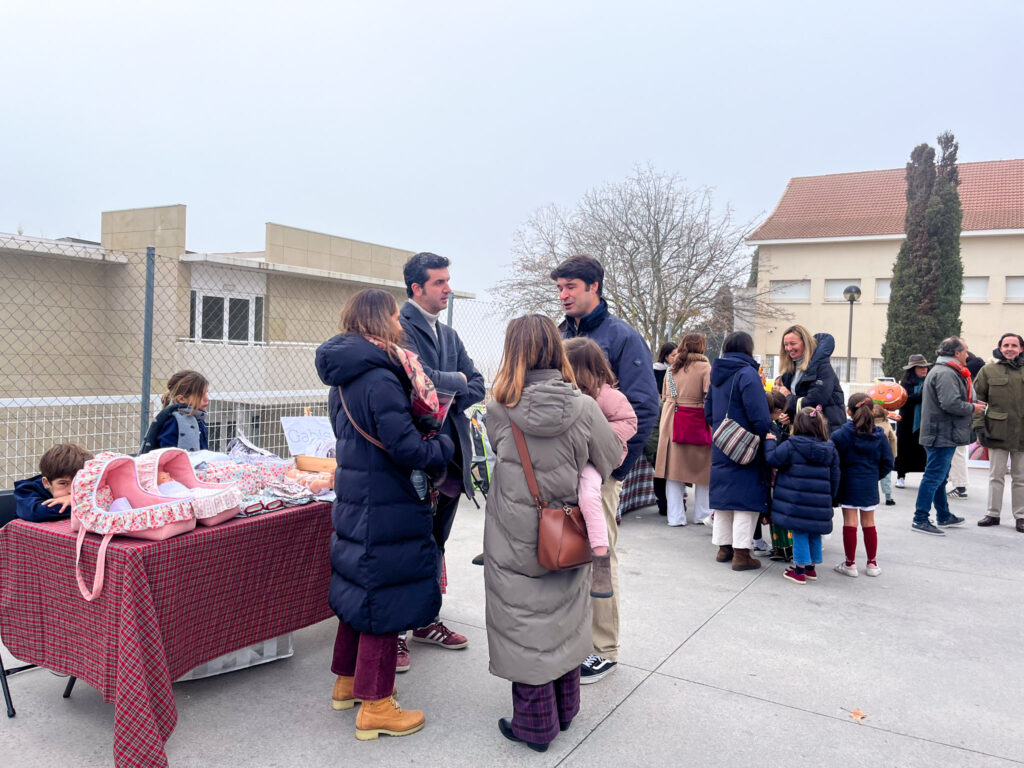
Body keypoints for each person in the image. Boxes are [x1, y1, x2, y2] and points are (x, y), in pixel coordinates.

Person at [315, 289, 454, 741]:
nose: (399, 321)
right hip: (387, 501)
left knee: (360, 592)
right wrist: (443, 446)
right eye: (394, 314)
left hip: (359, 498)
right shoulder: (380, 377)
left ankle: (346, 683)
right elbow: (406, 448)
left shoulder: (346, 377)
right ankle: (376, 705)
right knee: (383, 601)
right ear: (379, 320)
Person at [483, 315, 622, 752]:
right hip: (565, 530)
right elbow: (612, 457)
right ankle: (565, 710)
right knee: (564, 618)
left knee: (523, 624)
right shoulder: (584, 407)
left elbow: (497, 450)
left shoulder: (498, 407)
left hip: (512, 534)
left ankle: (534, 725)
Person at [551, 255, 659, 684]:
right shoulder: (557, 335)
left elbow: (643, 410)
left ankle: (603, 648)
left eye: (571, 286)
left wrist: (614, 470)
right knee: (561, 557)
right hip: (557, 475)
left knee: (599, 556)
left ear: (594, 286)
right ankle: (572, 640)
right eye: (560, 288)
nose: (564, 295)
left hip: (598, 477)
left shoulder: (623, 338)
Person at [398, 252, 486, 665]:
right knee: (408, 545)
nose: (448, 288)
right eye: (440, 282)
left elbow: (479, 384)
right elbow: (417, 384)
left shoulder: (448, 336)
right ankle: (395, 632)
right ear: (417, 288)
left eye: (449, 281)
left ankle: (425, 620)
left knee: (436, 542)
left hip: (450, 460)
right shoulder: (399, 327)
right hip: (414, 458)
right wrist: (455, 382)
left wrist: (447, 386)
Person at [564, 337, 638, 597]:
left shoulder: (608, 396)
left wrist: (598, 435)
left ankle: (600, 555)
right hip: (569, 456)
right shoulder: (568, 392)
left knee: (588, 495)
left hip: (596, 459)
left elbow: (629, 422)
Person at [704, 331, 773, 571]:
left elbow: (709, 411)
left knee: (724, 499)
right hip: (746, 444)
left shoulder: (717, 375)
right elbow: (759, 413)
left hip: (722, 441)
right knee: (745, 499)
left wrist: (721, 432)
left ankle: (724, 548)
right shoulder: (747, 374)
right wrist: (768, 433)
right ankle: (742, 554)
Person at [912, 337, 986, 536]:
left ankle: (943, 515)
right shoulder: (946, 373)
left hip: (944, 432)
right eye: (965, 351)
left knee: (940, 477)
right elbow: (950, 403)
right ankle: (920, 518)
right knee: (934, 476)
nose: (967, 354)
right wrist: (973, 408)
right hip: (941, 433)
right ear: (956, 353)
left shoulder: (948, 371)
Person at [764, 406, 840, 585]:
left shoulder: (792, 445)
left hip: (796, 501)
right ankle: (811, 568)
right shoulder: (830, 448)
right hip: (820, 501)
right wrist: (832, 498)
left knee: (799, 532)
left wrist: (770, 442)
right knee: (814, 532)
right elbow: (836, 475)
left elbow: (773, 459)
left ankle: (799, 571)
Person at [832, 394, 895, 576]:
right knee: (869, 523)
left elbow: (834, 461)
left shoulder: (840, 435)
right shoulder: (880, 436)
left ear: (848, 412)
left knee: (849, 522)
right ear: (873, 411)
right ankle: (872, 564)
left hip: (848, 482)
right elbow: (887, 462)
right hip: (869, 483)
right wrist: (874, 476)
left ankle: (850, 564)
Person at [654, 333, 712, 527]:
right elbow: (709, 396)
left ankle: (675, 517)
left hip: (671, 418)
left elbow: (664, 396)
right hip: (698, 418)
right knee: (703, 470)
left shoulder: (672, 369)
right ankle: (702, 515)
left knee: (673, 470)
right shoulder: (706, 368)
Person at [973, 333, 1024, 532]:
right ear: (1000, 348)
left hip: (1022, 433)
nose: (1010, 348)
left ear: (1021, 349)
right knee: (996, 476)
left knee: (1020, 478)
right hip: (997, 431)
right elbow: (979, 402)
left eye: (1014, 345)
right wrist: (979, 425)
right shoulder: (988, 370)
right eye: (1006, 345)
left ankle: (1021, 516)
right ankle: (992, 514)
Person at [774, 325, 846, 433]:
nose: (789, 348)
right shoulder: (789, 371)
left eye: (793, 344)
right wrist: (783, 416)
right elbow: (794, 405)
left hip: (825, 432)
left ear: (806, 343)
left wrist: (788, 397)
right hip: (804, 431)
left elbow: (814, 402)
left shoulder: (822, 367)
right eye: (786, 345)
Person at [14, 443, 94, 522]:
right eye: (63, 483)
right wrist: (76, 502)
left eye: (78, 483)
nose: (71, 490)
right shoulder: (27, 490)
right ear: (46, 483)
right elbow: (36, 513)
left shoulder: (92, 485)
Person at [947, 349, 987, 499]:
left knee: (958, 453)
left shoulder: (965, 375)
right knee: (958, 453)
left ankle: (960, 486)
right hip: (968, 418)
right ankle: (958, 483)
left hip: (963, 419)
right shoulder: (975, 375)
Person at [140, 370, 210, 452]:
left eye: (206, 393)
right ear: (181, 399)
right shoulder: (173, 422)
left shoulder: (198, 419)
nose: (207, 399)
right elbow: (167, 456)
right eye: (200, 395)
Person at [648, 341, 677, 516]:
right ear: (666, 356)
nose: (677, 358)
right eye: (674, 355)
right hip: (660, 416)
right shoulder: (662, 372)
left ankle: (667, 502)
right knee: (661, 466)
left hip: (664, 415)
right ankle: (664, 502)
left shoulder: (673, 372)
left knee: (665, 467)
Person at [894, 355, 931, 488]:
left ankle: (926, 478)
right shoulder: (905, 383)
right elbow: (903, 402)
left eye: (925, 367)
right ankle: (900, 476)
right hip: (907, 423)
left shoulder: (930, 381)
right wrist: (919, 396)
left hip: (926, 421)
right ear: (913, 369)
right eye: (920, 368)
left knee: (924, 451)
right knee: (903, 449)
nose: (924, 370)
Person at [765, 390, 793, 561]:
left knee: (775, 514)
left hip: (771, 478)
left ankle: (780, 548)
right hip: (776, 476)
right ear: (776, 411)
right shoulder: (770, 427)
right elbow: (774, 454)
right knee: (778, 514)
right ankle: (783, 548)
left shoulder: (767, 425)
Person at [873, 403, 899, 506]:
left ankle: (873, 496)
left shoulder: (867, 424)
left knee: (872, 476)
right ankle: (888, 498)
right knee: (886, 477)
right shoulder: (886, 424)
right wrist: (893, 454)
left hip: (871, 456)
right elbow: (893, 439)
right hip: (884, 455)